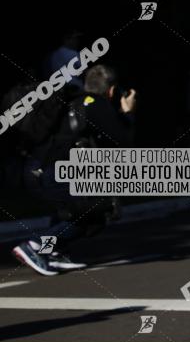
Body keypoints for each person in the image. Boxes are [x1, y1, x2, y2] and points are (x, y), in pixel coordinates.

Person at [12, 65, 136, 275]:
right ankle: (35, 246)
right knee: (96, 213)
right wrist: (127, 113)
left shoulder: (71, 101)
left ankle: (53, 250)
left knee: (70, 212)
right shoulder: (97, 104)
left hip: (37, 170)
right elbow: (123, 141)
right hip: (57, 173)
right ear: (112, 90)